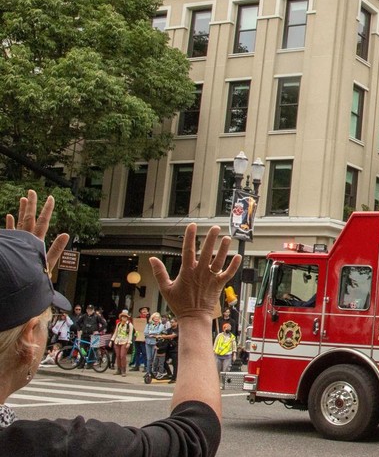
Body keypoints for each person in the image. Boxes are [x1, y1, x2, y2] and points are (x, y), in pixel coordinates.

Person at [0, 189, 241, 455]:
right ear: (28, 338)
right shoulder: (58, 446)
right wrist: (195, 316)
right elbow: (193, 437)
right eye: (47, 319)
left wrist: (16, 270)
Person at [111, 309, 135, 377]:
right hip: (117, 341)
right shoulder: (118, 324)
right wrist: (112, 340)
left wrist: (129, 342)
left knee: (122, 356)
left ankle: (123, 370)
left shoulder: (129, 325)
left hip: (125, 341)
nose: (124, 318)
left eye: (125, 317)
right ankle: (119, 369)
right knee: (118, 356)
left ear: (127, 318)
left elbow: (130, 334)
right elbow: (115, 333)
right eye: (122, 317)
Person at [145, 312, 166, 377]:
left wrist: (151, 333)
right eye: (155, 317)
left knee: (154, 359)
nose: (156, 319)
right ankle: (148, 372)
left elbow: (158, 332)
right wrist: (152, 334)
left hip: (155, 343)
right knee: (149, 358)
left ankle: (153, 371)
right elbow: (145, 332)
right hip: (148, 342)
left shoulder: (161, 325)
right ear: (152, 318)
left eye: (158, 317)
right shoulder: (148, 324)